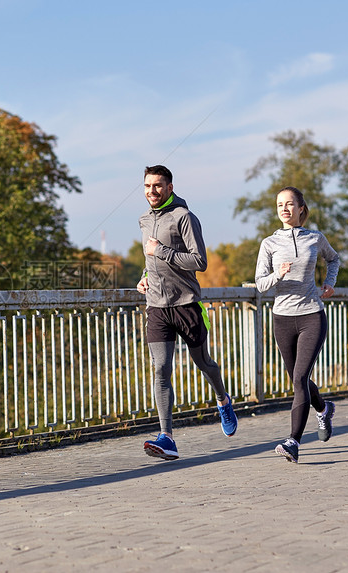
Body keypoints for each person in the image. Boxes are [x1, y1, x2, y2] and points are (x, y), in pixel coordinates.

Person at [137, 165, 238, 461]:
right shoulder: (144, 220)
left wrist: (162, 252)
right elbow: (150, 258)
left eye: (157, 185)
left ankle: (222, 399)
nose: (151, 191)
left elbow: (199, 261)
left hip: (186, 304)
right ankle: (166, 436)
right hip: (157, 307)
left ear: (169, 187)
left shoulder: (184, 217)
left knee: (202, 361)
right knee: (160, 369)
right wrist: (145, 275)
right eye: (147, 186)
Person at [254, 186, 340, 463]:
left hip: (312, 315)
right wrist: (277, 275)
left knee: (300, 378)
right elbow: (260, 284)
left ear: (301, 208)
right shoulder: (269, 243)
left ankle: (293, 441)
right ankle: (323, 408)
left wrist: (329, 283)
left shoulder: (315, 238)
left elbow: (334, 258)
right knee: (296, 379)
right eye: (280, 205)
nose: (285, 209)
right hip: (282, 318)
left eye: (290, 204)